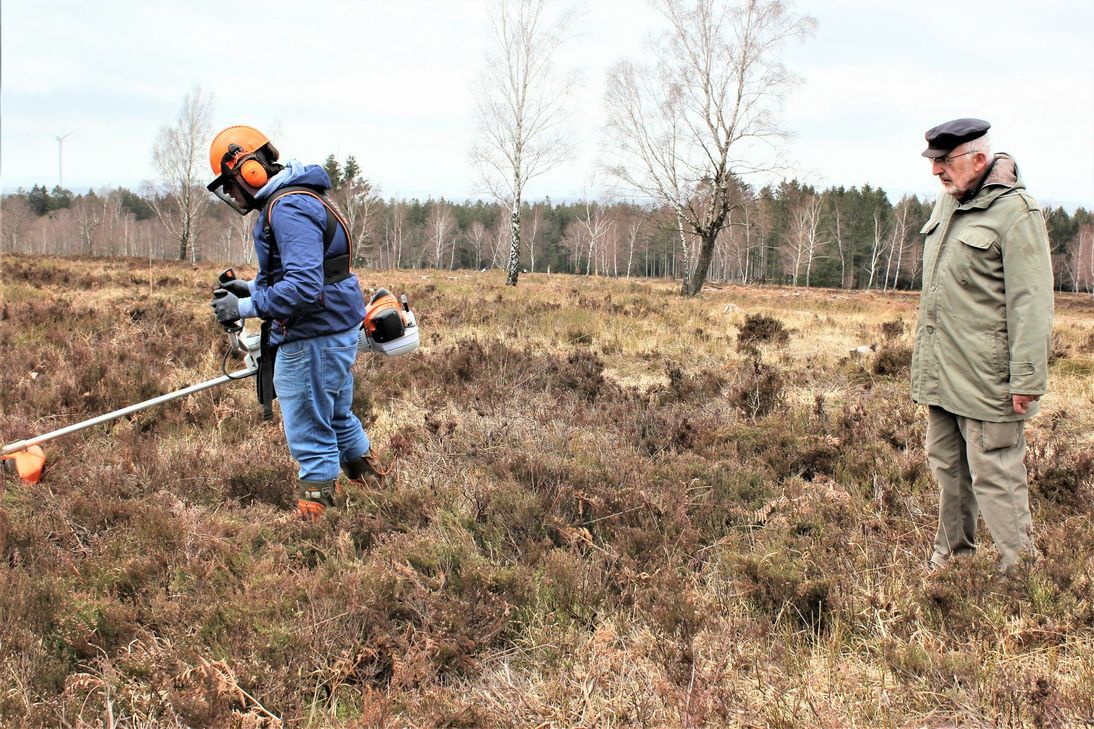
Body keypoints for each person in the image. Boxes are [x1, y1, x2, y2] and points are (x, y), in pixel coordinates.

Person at [206, 125, 385, 519]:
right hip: (332, 329)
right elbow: (315, 272)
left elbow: (304, 287)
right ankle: (375, 488)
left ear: (249, 170)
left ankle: (315, 521)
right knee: (336, 415)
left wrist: (246, 307)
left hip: (311, 335)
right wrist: (250, 287)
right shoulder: (301, 198)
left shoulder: (286, 208)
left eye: (231, 185)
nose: (234, 195)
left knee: (309, 426)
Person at [911, 118, 1054, 571]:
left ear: (978, 159)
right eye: (933, 163)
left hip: (989, 378)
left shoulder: (1017, 214)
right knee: (948, 470)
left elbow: (1032, 303)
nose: (937, 172)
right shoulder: (948, 202)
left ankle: (1019, 573)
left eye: (945, 163)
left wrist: (1027, 378)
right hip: (942, 371)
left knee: (997, 473)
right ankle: (951, 560)